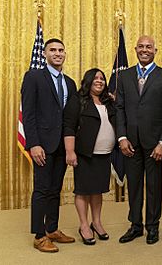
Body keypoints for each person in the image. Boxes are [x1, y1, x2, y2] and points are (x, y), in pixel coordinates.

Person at [116, 35, 162, 245]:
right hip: (130, 143)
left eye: (148, 47)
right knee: (133, 186)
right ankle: (135, 226)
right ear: (135, 49)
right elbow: (120, 108)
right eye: (141, 46)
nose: (145, 50)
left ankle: (152, 227)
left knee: (153, 186)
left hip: (154, 144)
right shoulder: (124, 77)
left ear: (155, 51)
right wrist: (122, 137)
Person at [21, 38, 77, 252]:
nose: (57, 53)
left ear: (65, 53)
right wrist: (33, 144)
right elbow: (29, 114)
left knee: (55, 189)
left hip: (61, 146)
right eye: (52, 50)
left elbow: (70, 117)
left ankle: (52, 228)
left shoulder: (69, 82)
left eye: (61, 50)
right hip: (42, 146)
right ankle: (39, 235)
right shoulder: (34, 77)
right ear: (44, 54)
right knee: (42, 190)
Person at [63, 68, 116, 245]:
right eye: (95, 78)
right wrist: (70, 152)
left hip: (104, 154)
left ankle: (97, 222)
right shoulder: (78, 101)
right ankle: (84, 225)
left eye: (102, 78)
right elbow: (69, 127)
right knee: (83, 191)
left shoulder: (108, 101)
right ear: (88, 81)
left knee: (98, 190)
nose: (99, 81)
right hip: (85, 155)